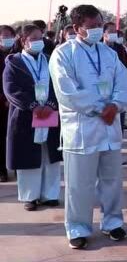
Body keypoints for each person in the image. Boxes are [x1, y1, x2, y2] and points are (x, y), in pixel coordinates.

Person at [50, 4, 127, 249]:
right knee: (79, 184)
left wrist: (115, 105)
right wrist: (99, 108)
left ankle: (113, 222)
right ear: (77, 28)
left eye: (99, 25)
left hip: (109, 126)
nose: (97, 30)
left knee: (112, 180)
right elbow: (67, 93)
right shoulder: (63, 54)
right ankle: (77, 227)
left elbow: (122, 80)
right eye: (92, 26)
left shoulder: (108, 53)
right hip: (82, 130)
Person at [3, 24, 62, 210]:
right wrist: (33, 106)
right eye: (33, 39)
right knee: (28, 157)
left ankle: (50, 194)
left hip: (49, 113)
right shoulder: (14, 63)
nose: (39, 42)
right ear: (23, 41)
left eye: (40, 38)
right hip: (26, 116)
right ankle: (30, 196)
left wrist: (51, 104)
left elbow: (58, 84)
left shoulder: (49, 60)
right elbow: (11, 90)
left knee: (49, 156)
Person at [103, 22, 127, 132]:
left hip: (118, 89)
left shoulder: (120, 49)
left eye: (114, 32)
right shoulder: (98, 48)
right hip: (104, 89)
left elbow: (125, 67)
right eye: (110, 32)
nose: (113, 34)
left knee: (119, 120)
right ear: (103, 33)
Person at [0, 25, 17, 182]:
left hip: (16, 103)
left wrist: (12, 98)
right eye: (4, 36)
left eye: (9, 36)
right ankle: (2, 170)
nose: (7, 39)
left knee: (16, 135)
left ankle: (17, 166)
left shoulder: (18, 55)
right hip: (1, 103)